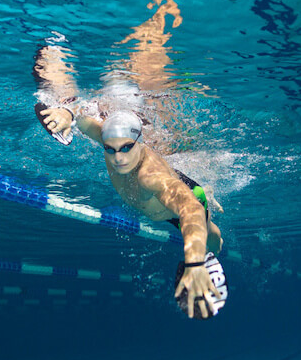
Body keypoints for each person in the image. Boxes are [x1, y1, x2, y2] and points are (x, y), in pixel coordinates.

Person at [40, 106, 224, 318]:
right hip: (165, 196)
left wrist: (194, 263)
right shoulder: (111, 138)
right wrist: (67, 114)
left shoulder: (149, 176)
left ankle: (208, 219)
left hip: (186, 199)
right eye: (110, 149)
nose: (118, 157)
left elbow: (190, 209)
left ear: (139, 142)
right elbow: (81, 117)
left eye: (127, 148)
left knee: (213, 238)